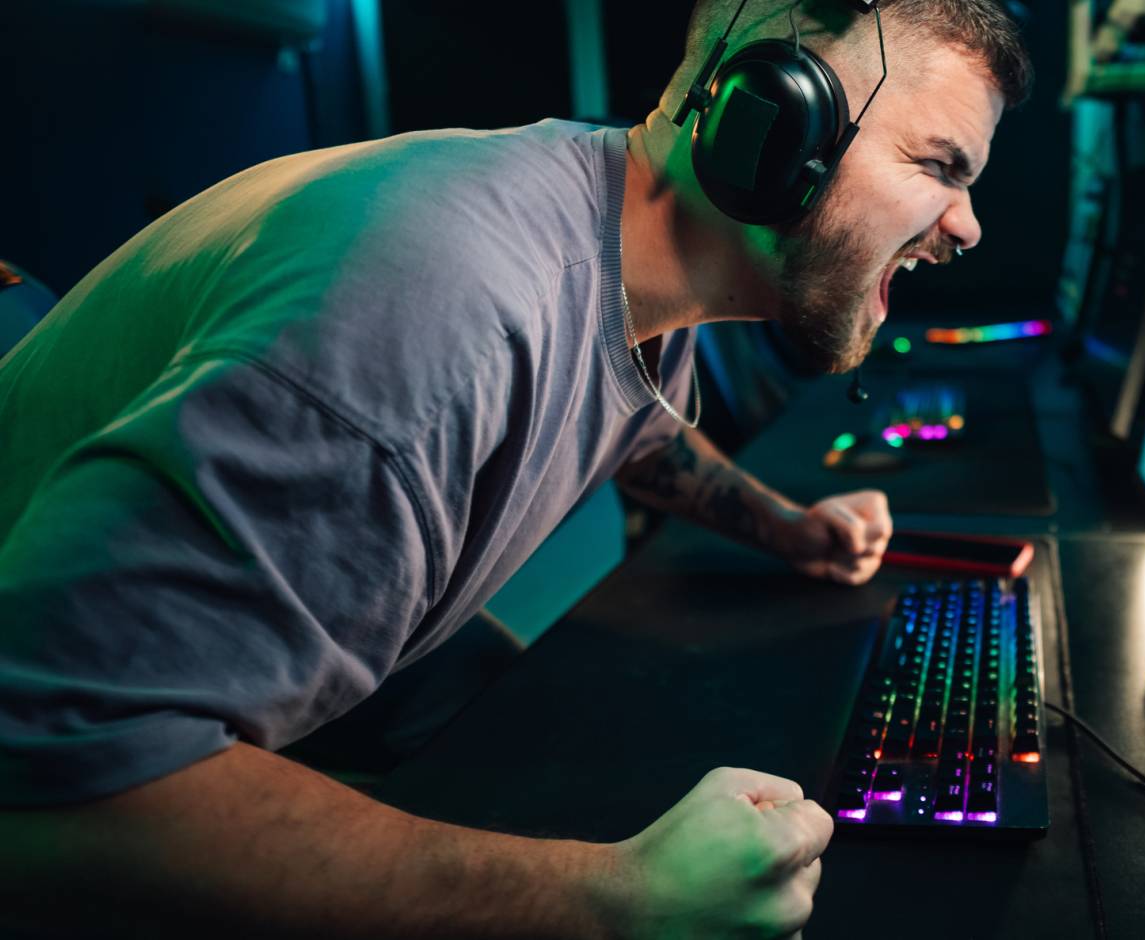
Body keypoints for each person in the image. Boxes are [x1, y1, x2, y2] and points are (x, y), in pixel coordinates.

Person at [0, 0, 1030, 934]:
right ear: (775, 124)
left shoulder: (625, 240)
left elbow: (644, 425)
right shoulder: (438, 309)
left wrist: (787, 526)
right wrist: (615, 903)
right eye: (941, 166)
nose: (968, 225)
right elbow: (52, 800)